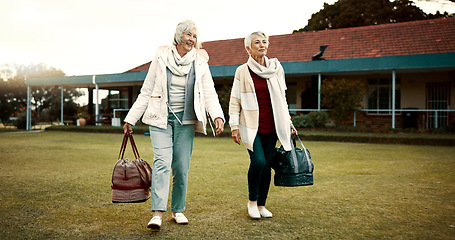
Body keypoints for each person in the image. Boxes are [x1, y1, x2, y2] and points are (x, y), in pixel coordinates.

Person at [123, 20, 225, 230]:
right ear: (178, 36)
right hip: (161, 118)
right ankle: (157, 213)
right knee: (162, 161)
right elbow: (146, 89)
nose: (191, 40)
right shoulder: (161, 58)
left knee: (181, 167)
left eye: (195, 36)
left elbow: (209, 92)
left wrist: (218, 116)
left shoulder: (200, 62)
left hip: (186, 120)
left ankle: (178, 210)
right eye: (188, 35)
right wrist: (130, 118)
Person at [229, 31, 296, 219]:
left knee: (267, 165)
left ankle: (261, 205)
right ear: (248, 48)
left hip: (273, 125)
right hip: (251, 126)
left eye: (264, 42)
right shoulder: (242, 71)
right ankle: (251, 202)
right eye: (257, 42)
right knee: (258, 161)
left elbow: (282, 97)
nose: (261, 45)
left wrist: (288, 121)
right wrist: (234, 126)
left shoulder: (276, 67)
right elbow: (235, 100)